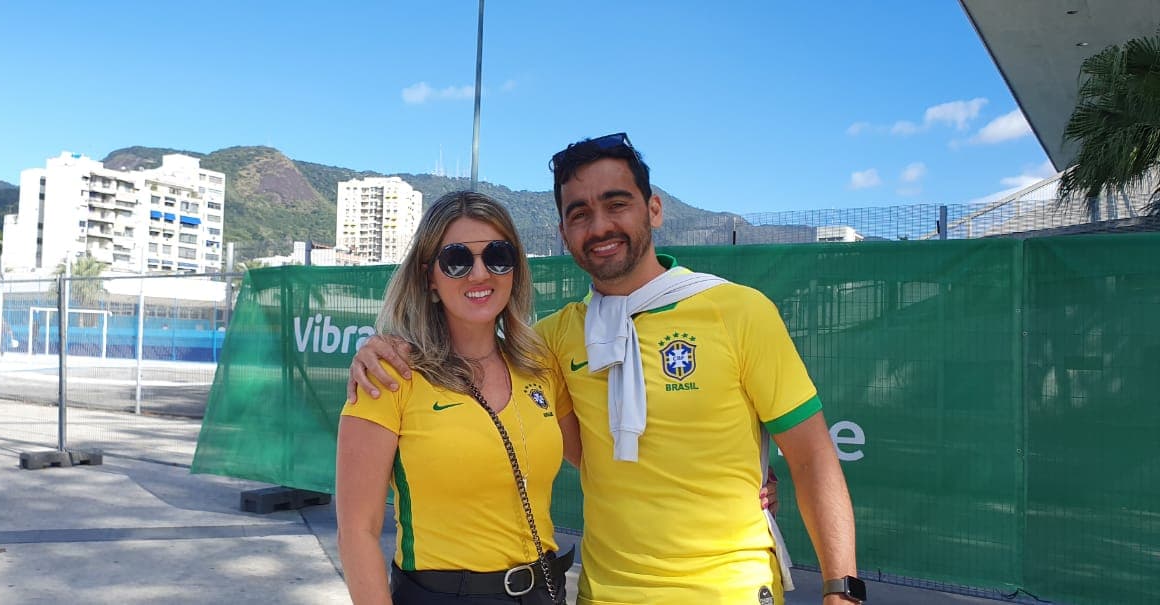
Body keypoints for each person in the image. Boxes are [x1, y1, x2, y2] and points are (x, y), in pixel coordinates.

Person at [349, 133, 861, 605]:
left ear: (654, 209)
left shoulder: (740, 312)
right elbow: (584, 450)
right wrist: (379, 346)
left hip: (729, 590)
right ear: (563, 232)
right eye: (579, 213)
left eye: (617, 204)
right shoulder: (551, 343)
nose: (599, 227)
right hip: (602, 593)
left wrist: (842, 590)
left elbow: (813, 458)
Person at [336, 191, 574, 605]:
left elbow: (598, 459)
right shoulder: (389, 374)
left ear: (515, 268)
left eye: (497, 256)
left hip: (542, 592)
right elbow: (357, 531)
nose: (480, 273)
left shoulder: (541, 367)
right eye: (457, 260)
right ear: (429, 276)